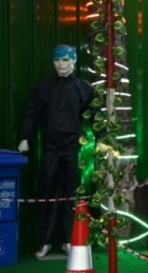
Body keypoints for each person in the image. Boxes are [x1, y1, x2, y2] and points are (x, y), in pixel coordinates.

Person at [19, 44, 94, 259]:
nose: (61, 64)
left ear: (74, 62)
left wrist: (101, 140)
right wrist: (26, 136)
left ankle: (68, 239)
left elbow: (97, 114)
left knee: (71, 193)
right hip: (50, 147)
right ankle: (46, 240)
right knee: (47, 193)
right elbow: (31, 113)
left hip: (73, 147)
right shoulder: (43, 88)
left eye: (65, 60)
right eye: (57, 60)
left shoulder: (84, 88)